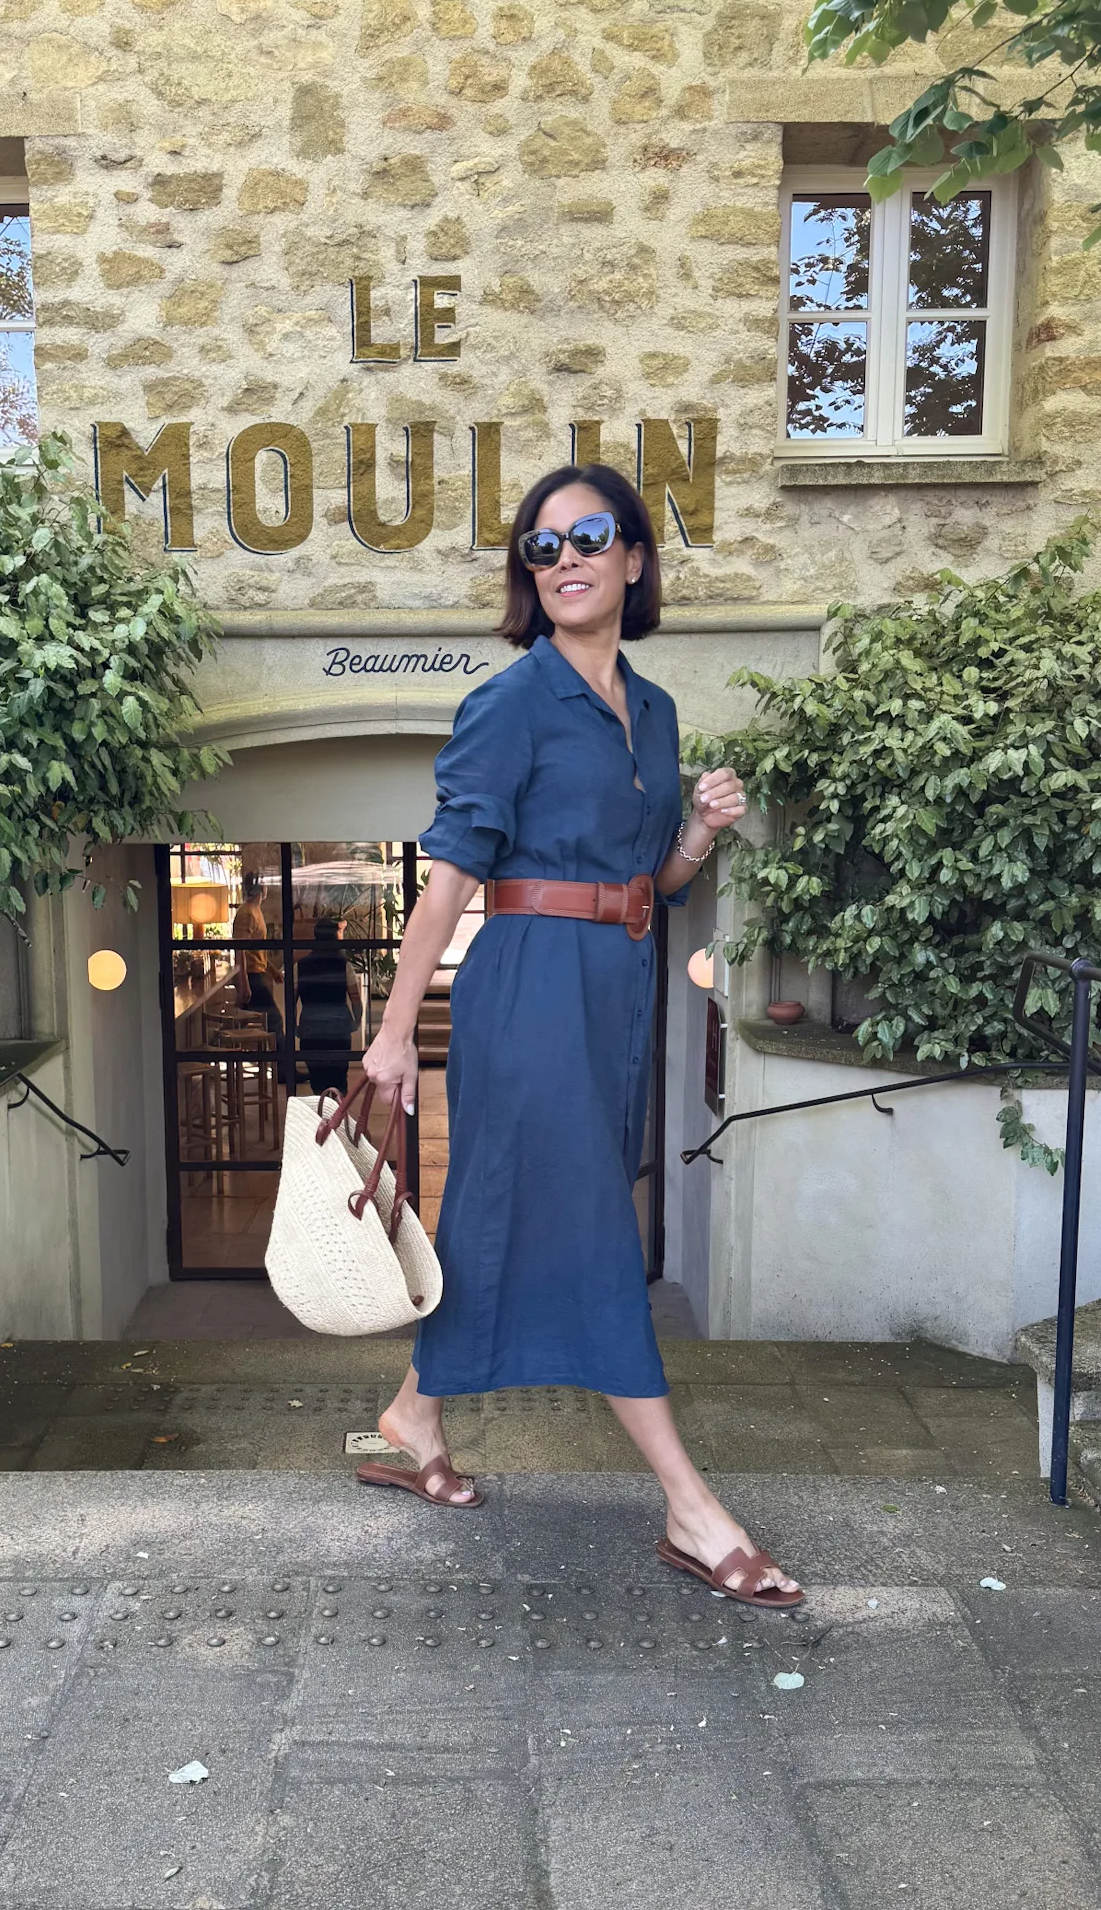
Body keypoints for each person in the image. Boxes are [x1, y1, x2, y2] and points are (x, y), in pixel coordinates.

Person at [354, 463, 804, 1610]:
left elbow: (646, 877)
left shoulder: (650, 712)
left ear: (635, 557)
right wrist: (394, 1034)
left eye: (587, 537)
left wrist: (699, 837)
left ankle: (415, 1414)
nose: (564, 561)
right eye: (540, 547)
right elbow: (454, 870)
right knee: (599, 1231)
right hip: (528, 989)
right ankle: (691, 1511)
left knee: (515, 1214)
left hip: (616, 987)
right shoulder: (511, 702)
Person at [295, 915, 364, 1096]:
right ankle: (338, 1117)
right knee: (339, 1078)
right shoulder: (343, 965)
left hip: (311, 1029)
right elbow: (355, 998)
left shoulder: (300, 966)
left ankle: (322, 1117)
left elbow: (291, 999)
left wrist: (296, 1027)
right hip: (338, 1029)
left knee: (317, 1079)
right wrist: (357, 1019)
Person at [231, 874, 281, 1036]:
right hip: (250, 977)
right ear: (261, 889)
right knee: (275, 1021)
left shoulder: (255, 910)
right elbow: (240, 949)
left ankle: (275, 1060)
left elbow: (256, 947)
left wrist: (272, 970)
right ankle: (283, 1061)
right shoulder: (247, 913)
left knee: (271, 1022)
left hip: (256, 974)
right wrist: (244, 982)